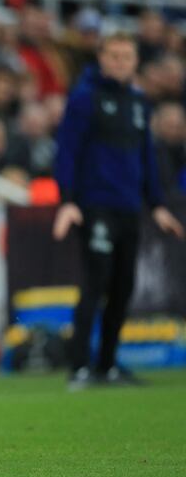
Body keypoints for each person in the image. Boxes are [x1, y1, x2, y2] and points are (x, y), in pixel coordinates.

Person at [52, 32, 185, 391]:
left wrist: (156, 205)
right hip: (94, 206)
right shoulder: (83, 99)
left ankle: (108, 365)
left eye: (127, 57)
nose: (120, 63)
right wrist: (66, 200)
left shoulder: (139, 104)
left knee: (124, 287)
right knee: (96, 282)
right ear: (101, 57)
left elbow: (146, 158)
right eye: (113, 56)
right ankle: (80, 366)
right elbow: (67, 151)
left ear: (136, 61)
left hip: (129, 207)